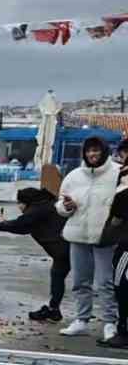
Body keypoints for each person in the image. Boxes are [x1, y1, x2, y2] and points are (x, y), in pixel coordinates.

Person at [56, 136, 122, 339]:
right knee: (80, 281)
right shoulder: (74, 176)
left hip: (106, 237)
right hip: (78, 235)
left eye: (96, 150)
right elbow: (60, 204)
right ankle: (81, 320)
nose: (92, 154)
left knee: (105, 283)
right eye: (89, 151)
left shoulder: (118, 172)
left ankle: (110, 322)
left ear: (104, 151)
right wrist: (66, 206)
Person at [0, 187, 70, 321]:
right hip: (64, 250)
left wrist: (2, 223)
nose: (18, 206)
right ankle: (53, 309)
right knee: (58, 277)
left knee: (77, 282)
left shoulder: (37, 210)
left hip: (64, 249)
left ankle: (59, 311)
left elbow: (21, 224)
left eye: (19, 203)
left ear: (26, 202)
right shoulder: (45, 205)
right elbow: (26, 227)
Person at [100, 160, 128, 348]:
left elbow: (115, 221)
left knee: (121, 287)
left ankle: (124, 331)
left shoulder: (122, 195)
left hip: (126, 248)